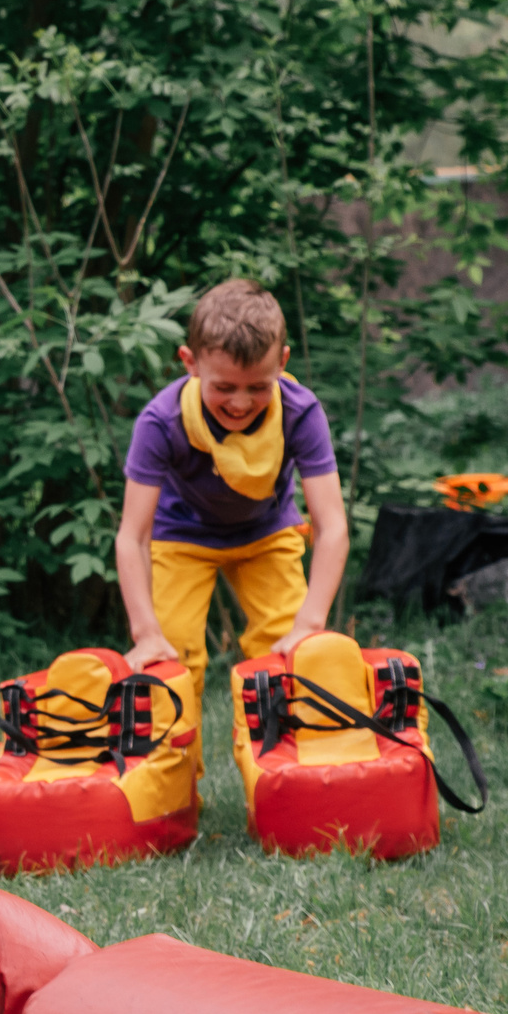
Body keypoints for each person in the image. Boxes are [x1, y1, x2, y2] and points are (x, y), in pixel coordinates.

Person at [117, 279, 348, 718]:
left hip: (267, 532)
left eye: (258, 387)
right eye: (224, 387)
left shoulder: (300, 412)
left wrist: (310, 623)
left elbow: (332, 525)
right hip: (181, 536)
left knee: (286, 654)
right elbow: (132, 536)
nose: (241, 403)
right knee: (170, 659)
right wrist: (146, 631)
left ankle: (280, 778)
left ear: (282, 363)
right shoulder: (161, 421)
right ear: (190, 362)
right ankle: (176, 785)